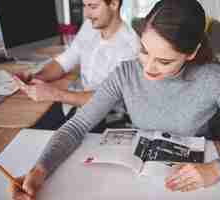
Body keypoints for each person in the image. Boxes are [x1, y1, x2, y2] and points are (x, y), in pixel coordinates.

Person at [10, 0, 220, 199]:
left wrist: (216, 169)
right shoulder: (126, 72)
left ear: (192, 52)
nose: (148, 68)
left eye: (164, 61)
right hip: (136, 180)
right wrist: (40, 170)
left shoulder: (216, 80)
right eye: (144, 51)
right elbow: (77, 126)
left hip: (191, 183)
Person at [14, 0, 140, 129]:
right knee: (24, 127)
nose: (86, 14)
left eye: (93, 6)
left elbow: (106, 99)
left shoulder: (131, 47)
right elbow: (65, 60)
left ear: (114, 4)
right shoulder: (89, 26)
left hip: (106, 117)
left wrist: (54, 94)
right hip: (75, 103)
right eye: (84, 6)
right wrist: (36, 78)